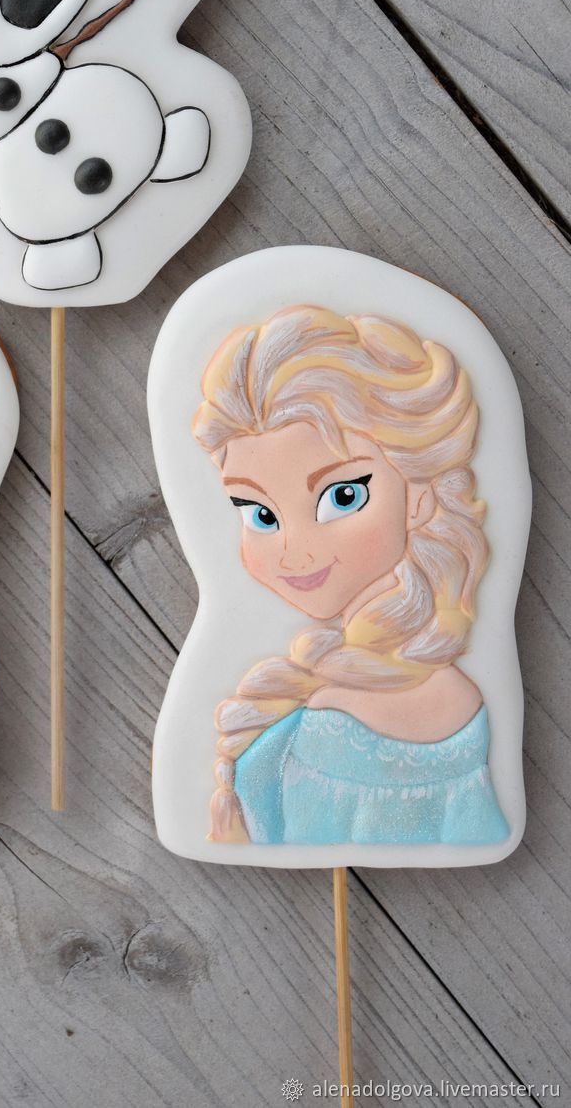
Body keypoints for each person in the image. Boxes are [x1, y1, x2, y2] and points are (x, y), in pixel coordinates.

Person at [193, 305, 509, 846]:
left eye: (343, 496)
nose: (293, 553)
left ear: (418, 494)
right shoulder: (341, 690)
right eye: (261, 515)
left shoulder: (335, 724)